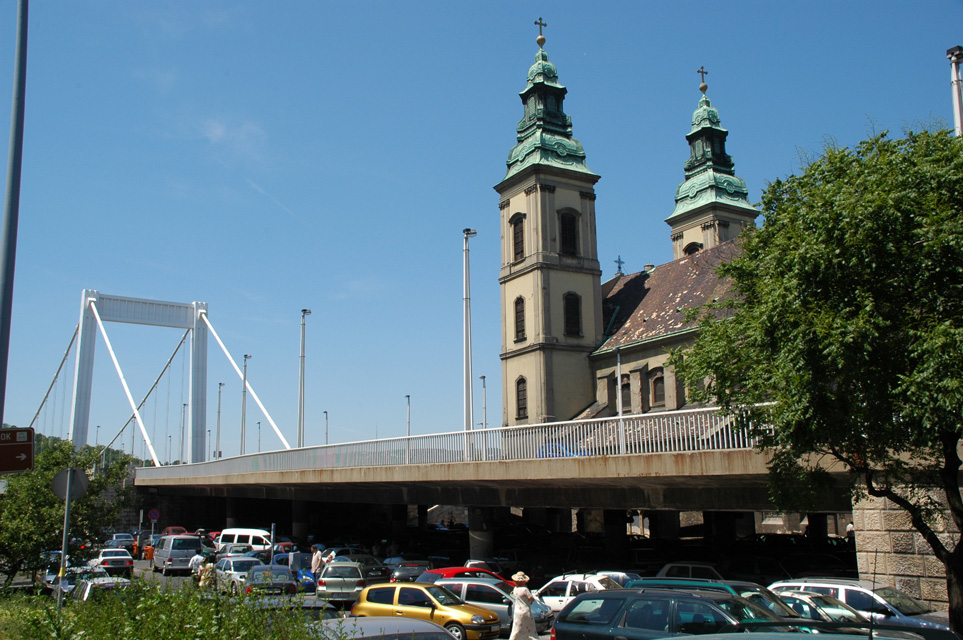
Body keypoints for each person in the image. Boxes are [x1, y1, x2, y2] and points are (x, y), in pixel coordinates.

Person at [509, 572, 538, 640]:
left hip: (517, 611)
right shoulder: (525, 589)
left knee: (516, 628)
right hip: (525, 611)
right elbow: (531, 599)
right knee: (530, 627)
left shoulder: (515, 589)